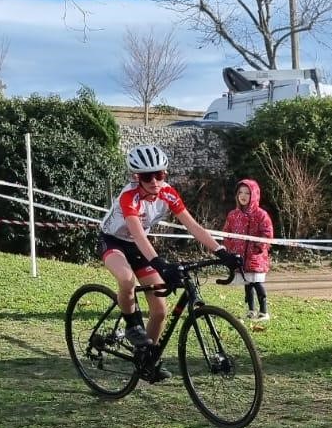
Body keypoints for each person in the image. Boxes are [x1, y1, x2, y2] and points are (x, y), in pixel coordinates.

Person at [98, 145, 240, 382]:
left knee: (160, 310)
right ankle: (132, 325)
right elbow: (138, 234)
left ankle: (146, 359)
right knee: (126, 278)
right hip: (114, 241)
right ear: (136, 177)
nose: (154, 181)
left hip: (139, 246)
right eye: (147, 176)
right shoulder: (128, 197)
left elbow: (193, 226)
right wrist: (159, 263)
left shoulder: (168, 193)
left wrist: (221, 251)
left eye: (160, 175)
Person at [222, 178, 275, 326]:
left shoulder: (261, 215)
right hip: (240, 258)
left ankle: (264, 311)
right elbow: (227, 233)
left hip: (255, 258)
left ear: (255, 195)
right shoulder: (233, 215)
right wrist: (230, 247)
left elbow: (267, 233)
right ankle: (251, 310)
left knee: (257, 283)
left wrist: (259, 246)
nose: (243, 196)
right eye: (240, 192)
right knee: (247, 284)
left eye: (247, 193)